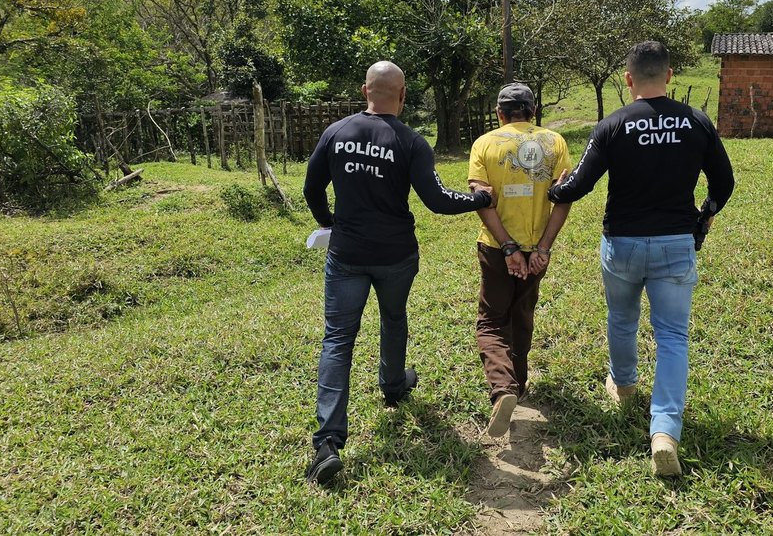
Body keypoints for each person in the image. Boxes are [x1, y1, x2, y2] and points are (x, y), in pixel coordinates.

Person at [302, 61, 495, 484]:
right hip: (396, 256)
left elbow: (311, 187)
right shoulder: (410, 141)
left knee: (337, 339)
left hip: (347, 253)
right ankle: (392, 384)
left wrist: (330, 223)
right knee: (393, 317)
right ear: (403, 94)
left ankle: (327, 443)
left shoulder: (336, 132)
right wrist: (478, 199)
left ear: (364, 90)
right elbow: (438, 200)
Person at [548, 41, 734, 476]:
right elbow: (723, 182)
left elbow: (578, 186)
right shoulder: (696, 122)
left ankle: (626, 386)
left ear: (629, 79)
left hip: (623, 245)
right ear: (669, 76)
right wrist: (704, 215)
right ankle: (665, 430)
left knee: (622, 318)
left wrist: (557, 189)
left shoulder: (613, 124)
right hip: (675, 242)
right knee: (672, 335)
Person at [467, 83, 572, 437]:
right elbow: (563, 199)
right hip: (536, 248)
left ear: (500, 114)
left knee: (492, 320)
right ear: (533, 110)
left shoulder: (484, 143)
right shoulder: (554, 142)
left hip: (497, 249)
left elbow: (483, 200)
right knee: (522, 312)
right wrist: (540, 248)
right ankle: (520, 383)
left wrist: (508, 247)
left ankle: (503, 389)